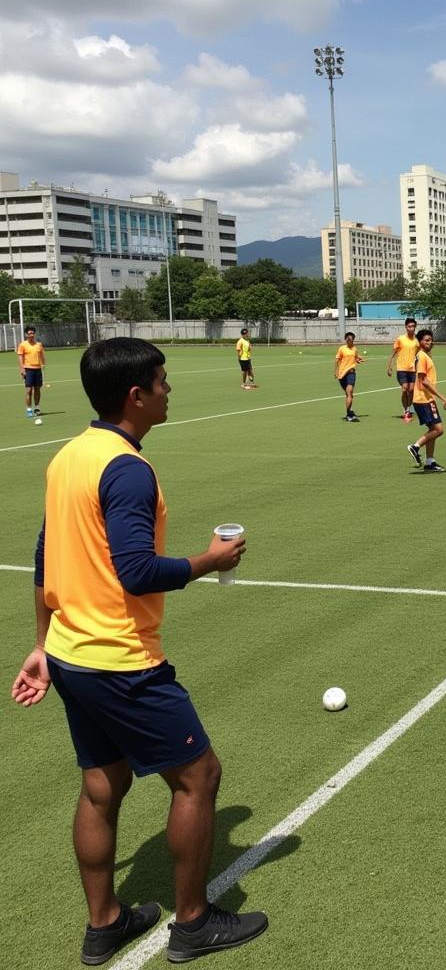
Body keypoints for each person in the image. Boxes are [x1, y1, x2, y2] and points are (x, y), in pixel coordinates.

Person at [10, 338, 268, 965]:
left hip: (72, 652)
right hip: (119, 659)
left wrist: (43, 646)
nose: (168, 389)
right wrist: (209, 560)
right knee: (199, 777)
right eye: (161, 380)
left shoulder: (70, 455)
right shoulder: (127, 468)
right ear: (135, 395)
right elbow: (136, 571)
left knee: (104, 784)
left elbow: (46, 558)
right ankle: (193, 922)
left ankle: (105, 924)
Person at [407, 329, 446, 472]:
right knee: (439, 430)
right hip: (423, 399)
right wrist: (443, 397)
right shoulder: (422, 356)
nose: (429, 342)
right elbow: (424, 380)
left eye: (431, 340)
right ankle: (415, 446)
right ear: (420, 342)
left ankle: (430, 462)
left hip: (424, 399)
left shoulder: (423, 356)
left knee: (432, 429)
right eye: (426, 340)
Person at [386, 317, 420, 422]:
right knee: (405, 388)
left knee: (411, 390)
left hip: (413, 369)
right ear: (406, 327)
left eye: (413, 326)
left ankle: (409, 408)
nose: (411, 328)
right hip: (401, 368)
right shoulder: (400, 339)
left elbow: (419, 354)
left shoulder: (417, 341)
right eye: (409, 326)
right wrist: (389, 367)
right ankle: (406, 410)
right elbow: (393, 353)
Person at [334, 331, 365, 422]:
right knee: (348, 395)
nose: (349, 340)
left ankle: (348, 414)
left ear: (353, 340)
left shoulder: (355, 349)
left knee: (350, 392)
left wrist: (358, 359)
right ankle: (350, 412)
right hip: (342, 374)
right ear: (345, 340)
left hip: (351, 373)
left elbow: (355, 356)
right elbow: (337, 360)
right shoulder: (342, 349)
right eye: (347, 339)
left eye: (350, 339)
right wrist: (335, 372)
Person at [17, 324, 46, 416]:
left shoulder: (39, 344)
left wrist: (43, 364)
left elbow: (42, 355)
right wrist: (22, 369)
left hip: (38, 369)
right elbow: (20, 357)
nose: (31, 335)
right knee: (29, 390)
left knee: (37, 390)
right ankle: (29, 410)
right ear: (26, 335)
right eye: (29, 333)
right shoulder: (22, 345)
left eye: (33, 333)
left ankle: (37, 408)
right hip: (28, 370)